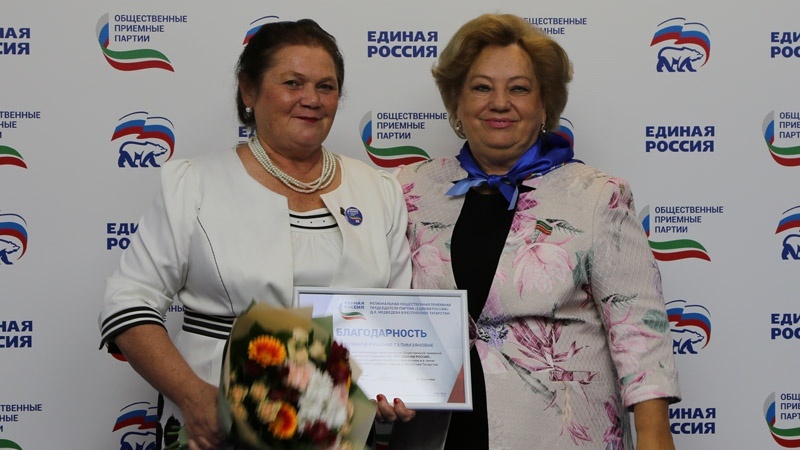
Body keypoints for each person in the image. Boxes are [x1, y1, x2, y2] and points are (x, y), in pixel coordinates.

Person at [98, 19, 412, 450]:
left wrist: (397, 384)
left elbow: (397, 319)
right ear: (248, 90)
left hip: (340, 432)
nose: (311, 99)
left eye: (326, 86)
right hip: (214, 429)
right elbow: (128, 302)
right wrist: (191, 396)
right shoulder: (194, 184)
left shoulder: (379, 190)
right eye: (292, 83)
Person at [390, 13, 681, 449]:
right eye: (481, 87)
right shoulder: (407, 189)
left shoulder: (597, 196)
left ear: (545, 105)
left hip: (562, 435)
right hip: (436, 433)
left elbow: (640, 331)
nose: (499, 103)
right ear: (456, 102)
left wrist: (655, 436)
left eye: (519, 88)